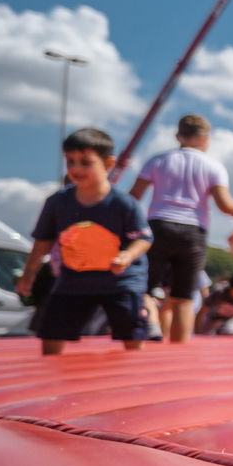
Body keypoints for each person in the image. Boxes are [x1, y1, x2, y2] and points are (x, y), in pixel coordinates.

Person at [16, 128, 153, 355]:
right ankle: (51, 368)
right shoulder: (58, 203)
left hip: (119, 281)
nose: (76, 169)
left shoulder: (123, 203)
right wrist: (29, 272)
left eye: (85, 162)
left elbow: (143, 239)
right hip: (74, 279)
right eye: (70, 162)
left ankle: (134, 366)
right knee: (51, 330)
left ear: (108, 164)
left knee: (130, 330)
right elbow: (43, 241)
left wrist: (126, 256)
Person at [128, 113, 233, 343]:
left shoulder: (158, 161)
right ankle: (178, 350)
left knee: (144, 288)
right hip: (193, 232)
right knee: (183, 298)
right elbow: (225, 206)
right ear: (205, 138)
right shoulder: (212, 166)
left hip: (159, 226)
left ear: (178, 136)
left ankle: (151, 325)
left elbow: (133, 198)